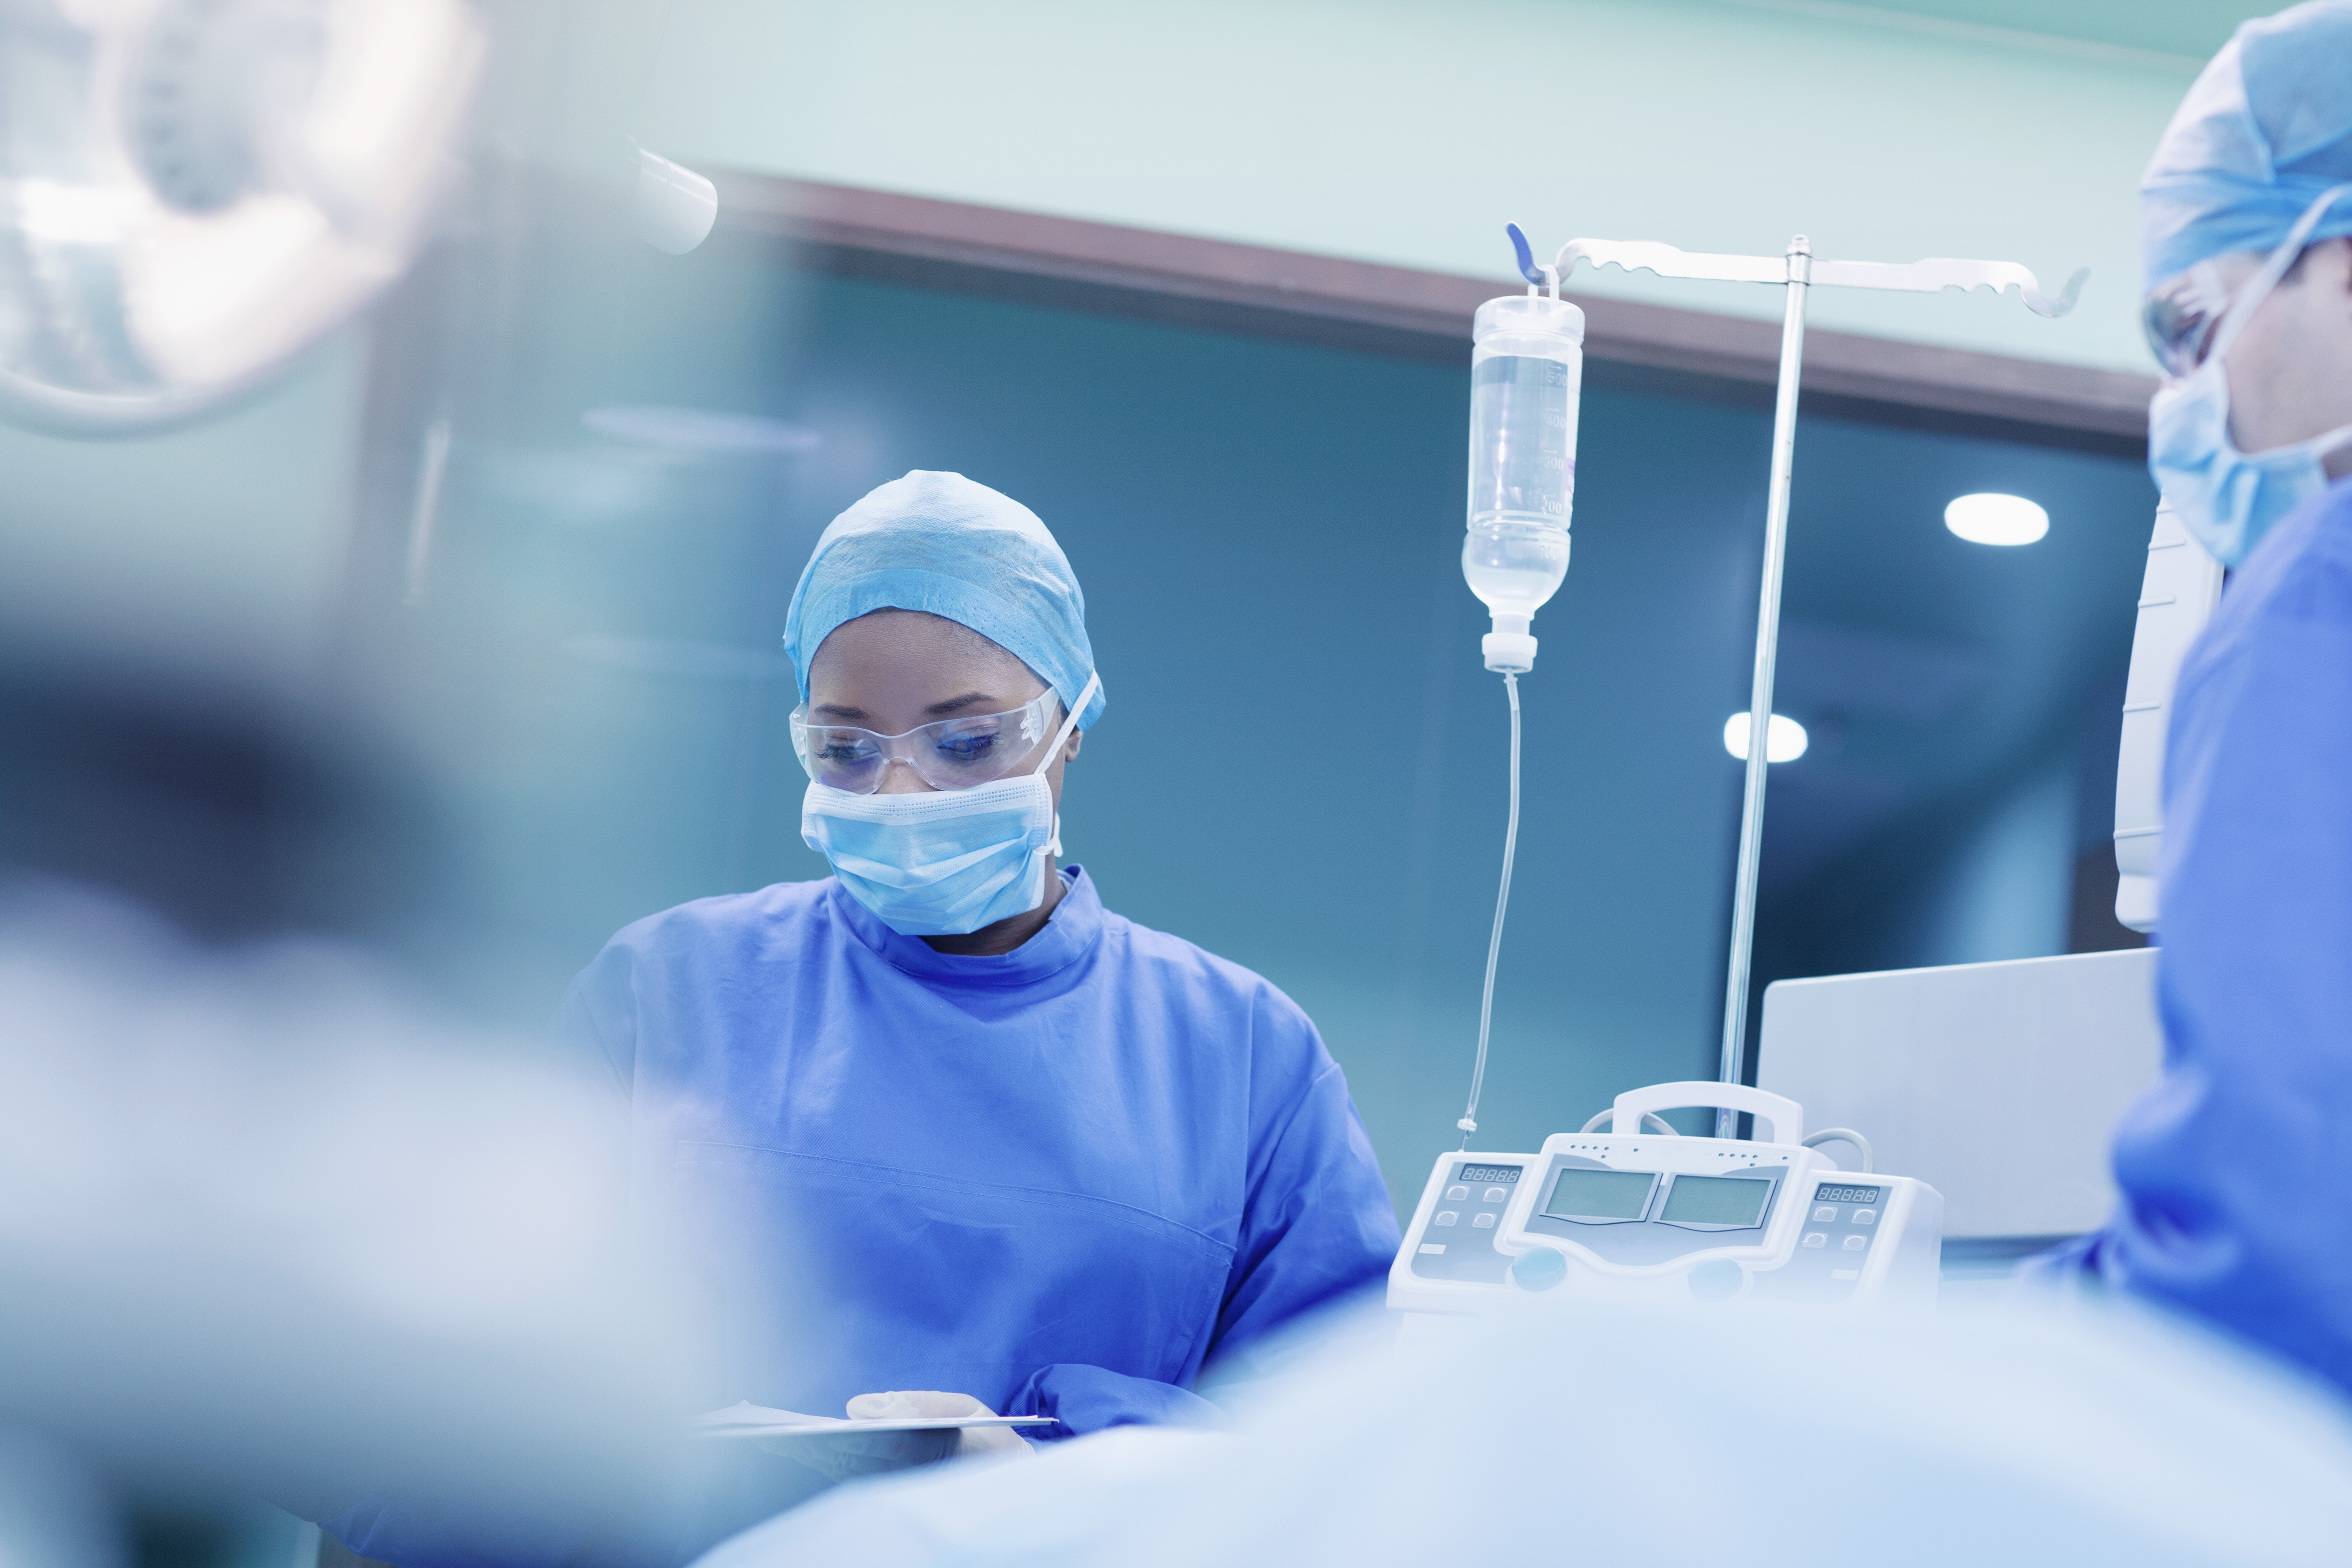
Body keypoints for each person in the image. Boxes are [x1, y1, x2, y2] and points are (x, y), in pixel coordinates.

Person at [540, 469, 1398, 1548]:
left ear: (1072, 724)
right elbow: (429, 1390)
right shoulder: (664, 993)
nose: (903, 794)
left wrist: (1059, 1456)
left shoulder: (1242, 1057)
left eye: (967, 741)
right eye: (848, 749)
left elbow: (1345, 1447)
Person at [2026, 2, 2352, 1397]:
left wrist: (1966, 1360)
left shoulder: (2317, 604)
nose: (2188, 396)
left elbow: (2279, 1263)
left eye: (2192, 323)